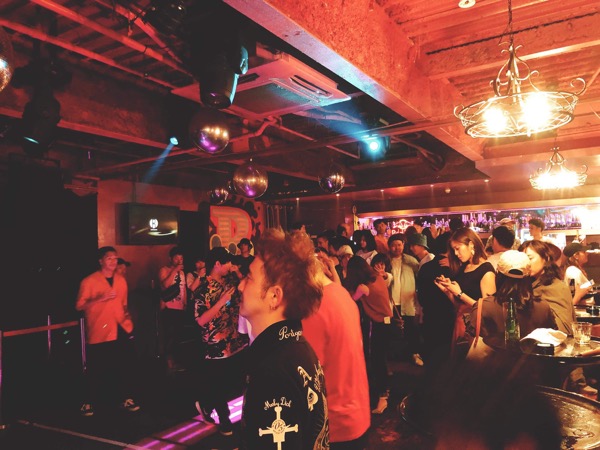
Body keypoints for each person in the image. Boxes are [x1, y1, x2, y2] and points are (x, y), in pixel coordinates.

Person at [238, 229, 329, 449]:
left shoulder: (273, 370)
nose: (240, 286)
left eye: (248, 278)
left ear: (274, 296)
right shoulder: (297, 348)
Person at [303, 257, 370, 448]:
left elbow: (307, 377)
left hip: (333, 422)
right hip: (356, 411)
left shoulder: (313, 309)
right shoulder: (340, 294)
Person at [76, 246, 140, 417]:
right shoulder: (89, 281)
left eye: (115, 258)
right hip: (100, 329)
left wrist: (128, 322)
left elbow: (124, 304)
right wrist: (100, 298)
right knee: (96, 367)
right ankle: (88, 401)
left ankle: (125, 398)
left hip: (121, 327)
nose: (113, 261)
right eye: (109, 258)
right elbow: (79, 305)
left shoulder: (121, 280)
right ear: (101, 261)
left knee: (124, 364)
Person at [193, 247, 248, 436]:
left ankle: (206, 404)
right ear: (217, 264)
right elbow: (200, 320)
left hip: (234, 339)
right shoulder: (203, 290)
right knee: (220, 383)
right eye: (227, 262)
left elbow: (243, 288)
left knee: (234, 379)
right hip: (216, 343)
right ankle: (224, 419)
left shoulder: (229, 281)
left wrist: (238, 272)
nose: (230, 265)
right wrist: (222, 301)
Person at [468, 250, 556, 352]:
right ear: (528, 277)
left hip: (493, 362)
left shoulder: (483, 307)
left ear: (498, 275)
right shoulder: (543, 308)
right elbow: (553, 341)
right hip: (533, 362)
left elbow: (470, 345)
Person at [344, 256, 395, 415]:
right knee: (381, 358)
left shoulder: (363, 287)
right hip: (388, 322)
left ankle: (383, 397)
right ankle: (384, 391)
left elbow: (350, 300)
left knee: (377, 360)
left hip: (380, 325)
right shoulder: (377, 277)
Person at [435, 227, 496, 352]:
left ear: (471, 244)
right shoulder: (464, 267)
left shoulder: (486, 269)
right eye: (454, 250)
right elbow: (459, 306)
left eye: (457, 248)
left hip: (476, 329)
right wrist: (448, 291)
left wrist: (459, 293)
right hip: (461, 324)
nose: (456, 253)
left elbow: (488, 310)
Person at [519, 240, 575, 335]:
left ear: (546, 258)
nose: (526, 263)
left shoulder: (556, 287)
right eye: (522, 260)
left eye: (530, 258)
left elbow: (564, 328)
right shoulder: (525, 285)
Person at [416, 234, 455, 365]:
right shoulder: (454, 268)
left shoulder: (425, 268)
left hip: (430, 316)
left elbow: (421, 296)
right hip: (450, 318)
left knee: (431, 357)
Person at [388, 233, 423, 366]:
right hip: (391, 300)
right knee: (393, 330)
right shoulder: (386, 261)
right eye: (393, 245)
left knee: (410, 328)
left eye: (399, 244)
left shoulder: (411, 261)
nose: (397, 248)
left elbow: (419, 278)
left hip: (407, 300)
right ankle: (395, 356)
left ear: (403, 245)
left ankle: (414, 353)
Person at [158, 246, 187, 372]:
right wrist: (175, 270)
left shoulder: (182, 273)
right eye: (176, 259)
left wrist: (185, 304)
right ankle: (169, 365)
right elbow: (165, 284)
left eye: (181, 259)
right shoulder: (164, 270)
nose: (179, 261)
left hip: (180, 308)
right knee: (169, 337)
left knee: (177, 337)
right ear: (170, 258)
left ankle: (175, 362)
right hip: (168, 308)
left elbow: (183, 289)